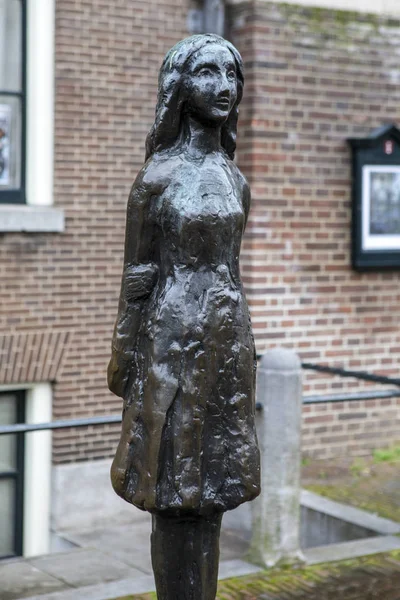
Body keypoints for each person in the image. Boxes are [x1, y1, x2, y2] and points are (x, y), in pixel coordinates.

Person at [108, 34, 260, 600]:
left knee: (214, 488)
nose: (223, 87)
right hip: (169, 339)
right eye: (206, 73)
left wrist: (245, 352)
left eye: (231, 75)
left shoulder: (235, 179)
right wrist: (123, 357)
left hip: (226, 339)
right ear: (180, 87)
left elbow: (234, 272)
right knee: (173, 491)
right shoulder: (157, 179)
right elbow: (138, 273)